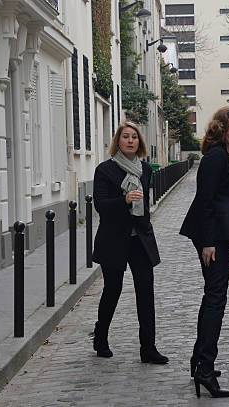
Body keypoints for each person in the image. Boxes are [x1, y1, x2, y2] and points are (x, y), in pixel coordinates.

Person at [180, 106, 229, 398]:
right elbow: (207, 202)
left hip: (219, 237)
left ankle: (200, 361)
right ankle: (205, 369)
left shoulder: (222, 157)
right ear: (220, 128)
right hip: (210, 239)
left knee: (212, 297)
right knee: (215, 301)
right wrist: (209, 243)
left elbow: (224, 204)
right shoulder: (215, 158)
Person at [91, 120, 168, 364]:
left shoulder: (145, 170)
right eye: (125, 136)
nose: (130, 140)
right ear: (118, 141)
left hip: (139, 240)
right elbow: (100, 206)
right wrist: (124, 200)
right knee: (112, 290)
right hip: (113, 239)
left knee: (145, 292)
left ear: (140, 142)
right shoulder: (105, 170)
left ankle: (148, 348)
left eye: (134, 137)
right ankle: (100, 337)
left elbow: (145, 206)